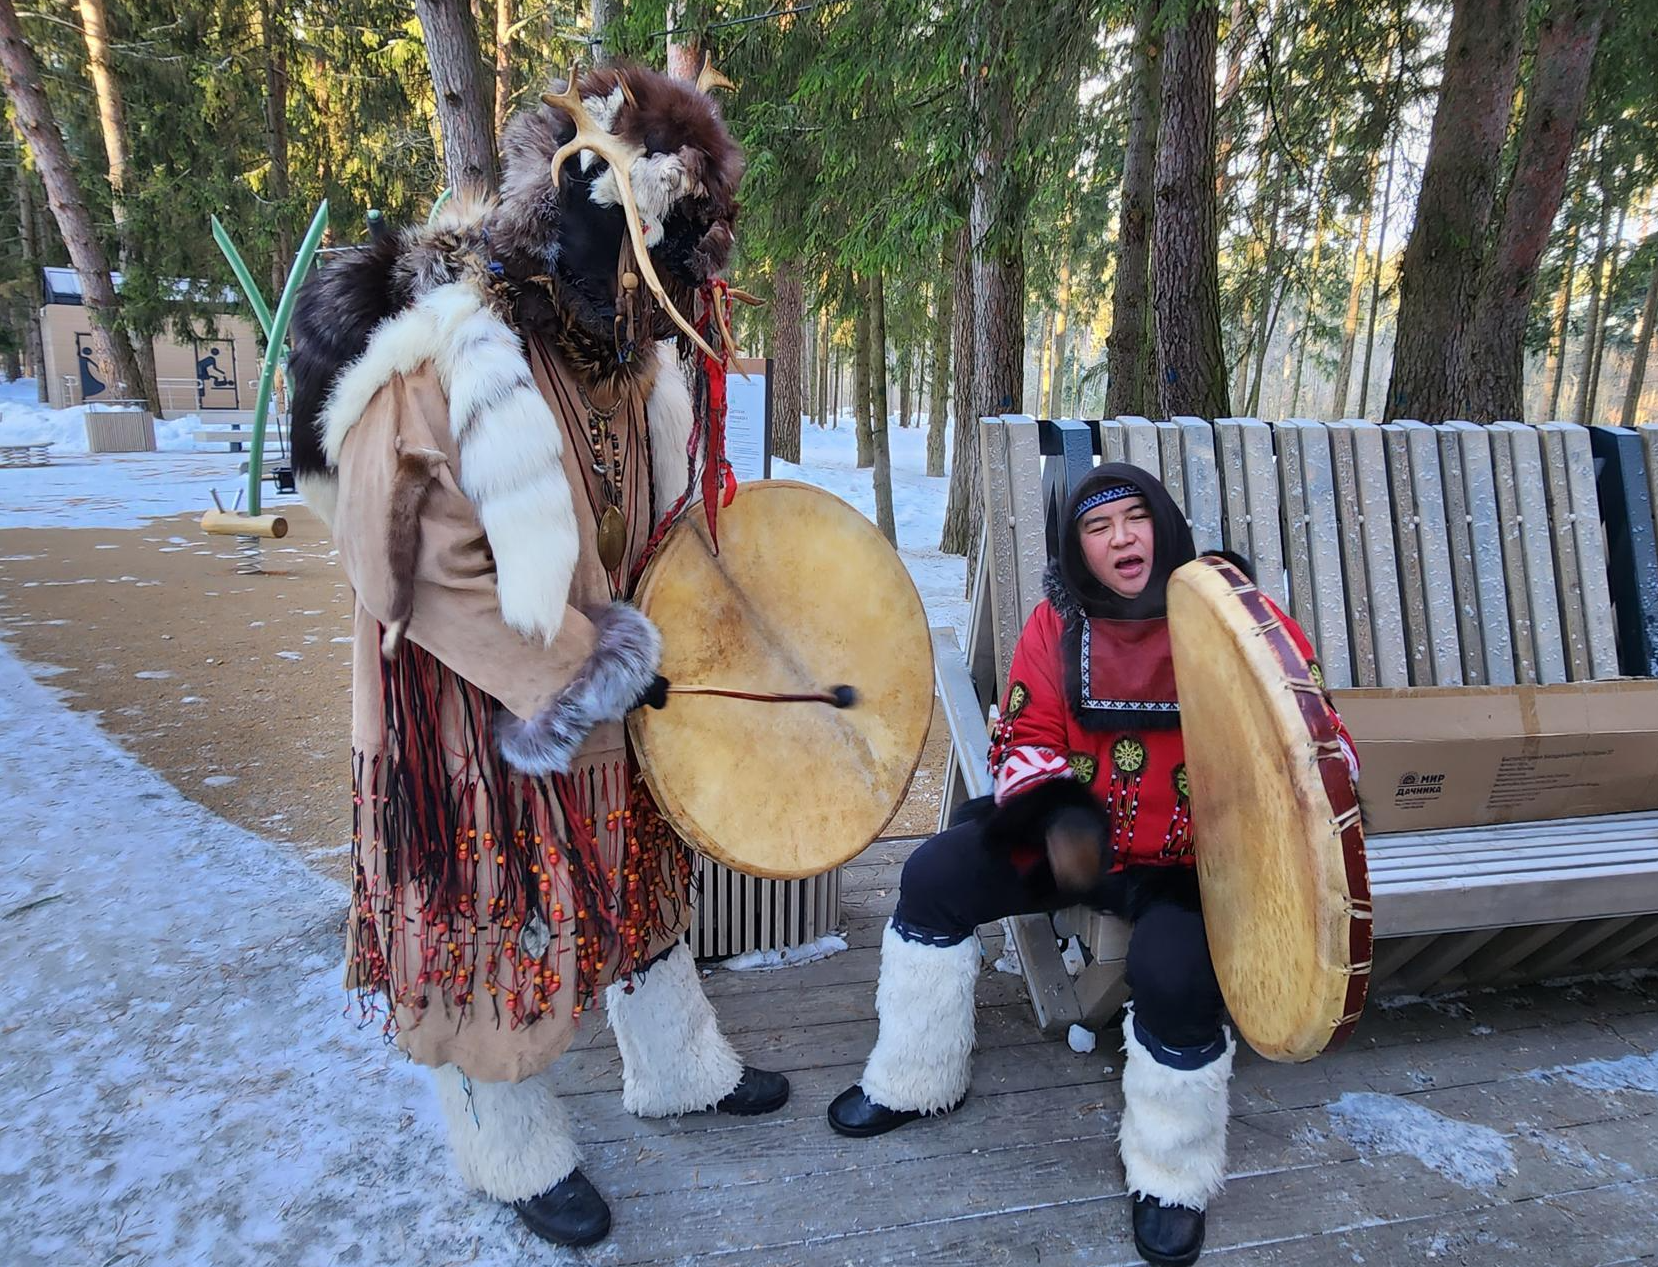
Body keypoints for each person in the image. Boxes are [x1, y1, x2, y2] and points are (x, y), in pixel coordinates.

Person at [286, 63, 785, 1250]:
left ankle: (677, 1066)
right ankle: (502, 1139)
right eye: (645, 256)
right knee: (492, 907)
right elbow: (413, 562)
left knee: (633, 871)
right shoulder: (445, 348)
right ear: (584, 216)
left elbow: (651, 510)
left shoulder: (628, 353)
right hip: (466, 705)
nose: (664, 292)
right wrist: (582, 663)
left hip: (597, 664)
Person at [827, 462, 1358, 1267]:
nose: (1120, 539)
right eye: (1097, 527)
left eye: (1134, 519)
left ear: (1163, 524)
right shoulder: (1056, 624)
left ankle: (1171, 1174)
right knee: (934, 876)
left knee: (1174, 971)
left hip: (1188, 860)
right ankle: (914, 1074)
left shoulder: (1237, 619)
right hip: (1069, 835)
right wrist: (1058, 814)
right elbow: (1024, 735)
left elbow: (1313, 735)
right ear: (1078, 550)